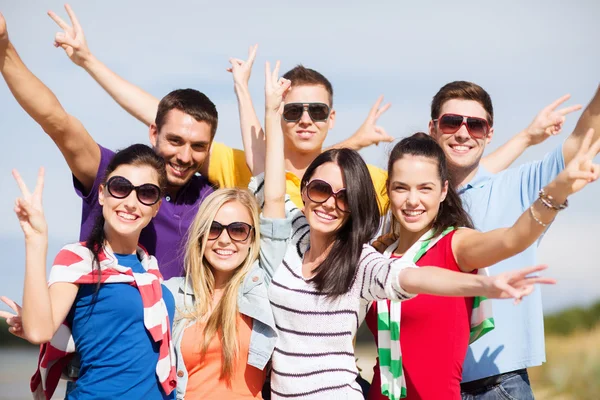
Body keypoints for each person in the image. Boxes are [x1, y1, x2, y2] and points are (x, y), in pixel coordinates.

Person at [260, 62, 555, 400]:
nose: (329, 202)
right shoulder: (294, 236)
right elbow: (270, 187)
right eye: (320, 190)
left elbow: (414, 278)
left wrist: (483, 284)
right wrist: (271, 111)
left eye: (344, 197)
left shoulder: (362, 261)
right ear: (304, 190)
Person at [365, 132, 600, 400]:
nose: (412, 200)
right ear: (389, 190)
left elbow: (513, 238)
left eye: (425, 188)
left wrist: (556, 191)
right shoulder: (379, 254)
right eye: (401, 187)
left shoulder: (456, 245)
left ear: (443, 191)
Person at [0, 11, 215, 279]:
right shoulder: (114, 175)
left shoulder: (212, 201)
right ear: (153, 133)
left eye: (197, 146)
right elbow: (55, 120)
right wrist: (3, 47)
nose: (184, 156)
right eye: (175, 141)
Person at [424, 81, 600, 399]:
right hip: (424, 383)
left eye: (475, 124)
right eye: (452, 121)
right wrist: (526, 137)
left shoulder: (519, 186)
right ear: (433, 128)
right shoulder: (411, 198)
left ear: (489, 134)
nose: (463, 132)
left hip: (496, 385)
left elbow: (584, 139)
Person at [1, 144, 177, 399]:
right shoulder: (80, 259)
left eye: (146, 193)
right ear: (103, 194)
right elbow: (41, 331)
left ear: (156, 207)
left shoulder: (151, 270)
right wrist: (36, 239)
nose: (130, 202)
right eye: (120, 188)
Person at [163, 75, 292, 398]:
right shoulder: (174, 295)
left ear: (252, 238)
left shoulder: (262, 284)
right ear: (200, 236)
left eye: (238, 230)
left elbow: (273, 195)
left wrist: (272, 113)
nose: (225, 239)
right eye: (214, 229)